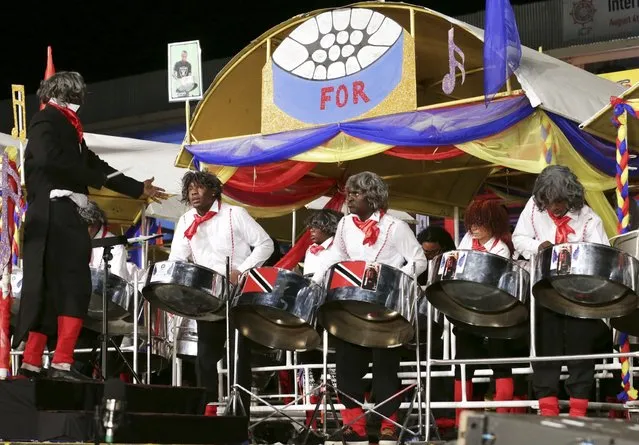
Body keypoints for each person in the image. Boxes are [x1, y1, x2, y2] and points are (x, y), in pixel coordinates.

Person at [15, 72, 166, 382]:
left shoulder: (69, 128)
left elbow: (95, 165)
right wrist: (87, 175)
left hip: (63, 213)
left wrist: (138, 188)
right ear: (71, 94)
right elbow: (48, 160)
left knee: (63, 289)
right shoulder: (48, 122)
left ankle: (43, 364)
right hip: (54, 213)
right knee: (69, 286)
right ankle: (53, 364)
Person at [314, 172, 427, 445]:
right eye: (349, 193)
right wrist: (318, 281)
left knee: (385, 369)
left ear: (373, 197)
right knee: (346, 368)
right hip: (351, 307)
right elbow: (338, 258)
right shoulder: (343, 226)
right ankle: (355, 425)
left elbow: (418, 260)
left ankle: (389, 425)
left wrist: (392, 278)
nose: (349, 198)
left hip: (384, 308)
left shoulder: (395, 227)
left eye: (356, 193)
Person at [169, 171, 274, 417]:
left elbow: (266, 243)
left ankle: (240, 414)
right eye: (190, 188)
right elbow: (176, 258)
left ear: (214, 191)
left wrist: (243, 269)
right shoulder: (185, 220)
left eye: (199, 187)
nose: (193, 192)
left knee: (238, 356)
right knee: (205, 357)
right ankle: (208, 413)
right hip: (205, 296)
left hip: (237, 293)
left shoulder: (234, 214)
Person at [513, 165, 609, 417]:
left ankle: (578, 410)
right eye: (548, 201)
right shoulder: (533, 209)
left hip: (580, 295)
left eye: (559, 201)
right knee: (545, 346)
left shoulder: (589, 219)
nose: (553, 207)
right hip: (546, 290)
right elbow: (519, 238)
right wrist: (539, 245)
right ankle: (547, 409)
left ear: (572, 196)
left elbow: (602, 256)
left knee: (581, 348)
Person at [452, 200, 521, 425]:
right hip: (469, 310)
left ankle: (502, 421)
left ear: (494, 223)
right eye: (471, 222)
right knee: (463, 364)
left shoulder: (501, 247)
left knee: (500, 362)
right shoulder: (466, 240)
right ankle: (462, 421)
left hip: (496, 314)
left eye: (480, 222)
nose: (473, 228)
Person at [79, 200, 128, 280]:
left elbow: (118, 282)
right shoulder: (76, 240)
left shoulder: (115, 246)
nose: (81, 232)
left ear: (96, 223)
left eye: (85, 227)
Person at [302, 209, 343, 276]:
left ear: (329, 227)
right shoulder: (310, 250)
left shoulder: (338, 248)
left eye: (316, 226)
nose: (312, 230)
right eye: (311, 227)